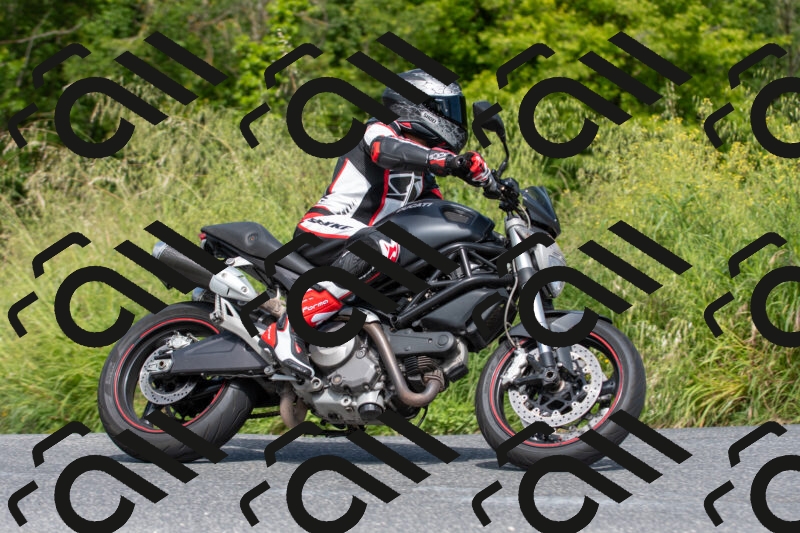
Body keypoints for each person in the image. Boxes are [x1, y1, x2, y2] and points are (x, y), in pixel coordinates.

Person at [259, 68, 501, 378]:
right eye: (447, 109)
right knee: (383, 247)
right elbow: (386, 151)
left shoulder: (420, 173)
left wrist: (490, 197)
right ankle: (288, 328)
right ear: (420, 107)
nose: (454, 118)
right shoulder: (378, 131)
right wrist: (446, 161)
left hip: (361, 245)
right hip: (324, 227)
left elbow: (436, 214)